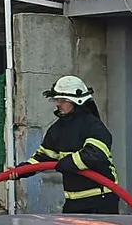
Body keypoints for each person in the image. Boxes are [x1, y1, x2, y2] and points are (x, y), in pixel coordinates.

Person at [17, 75, 119, 214]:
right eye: (56, 99)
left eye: (63, 100)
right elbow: (43, 158)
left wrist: (67, 163)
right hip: (73, 202)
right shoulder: (57, 129)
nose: (58, 104)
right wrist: (22, 170)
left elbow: (94, 155)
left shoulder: (93, 126)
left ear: (77, 101)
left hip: (100, 200)